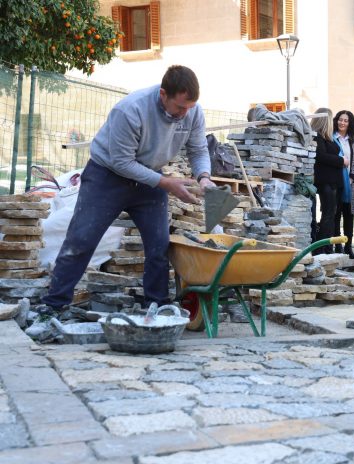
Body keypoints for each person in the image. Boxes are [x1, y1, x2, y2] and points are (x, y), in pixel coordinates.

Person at [27, 65, 215, 339]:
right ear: (163, 94)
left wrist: (205, 177)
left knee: (159, 247)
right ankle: (52, 308)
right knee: (81, 241)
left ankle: (158, 307)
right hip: (107, 176)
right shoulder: (131, 110)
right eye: (179, 108)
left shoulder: (193, 111)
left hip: (149, 177)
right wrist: (165, 183)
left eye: (188, 108)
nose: (184, 114)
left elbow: (198, 149)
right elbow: (121, 162)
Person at [312, 107, 343, 254]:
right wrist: (341, 160)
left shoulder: (325, 137)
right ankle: (319, 248)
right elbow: (321, 157)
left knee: (330, 214)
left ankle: (326, 247)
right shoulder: (317, 137)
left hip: (331, 181)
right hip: (325, 181)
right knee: (328, 215)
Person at [332, 110, 354, 259]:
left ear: (350, 123)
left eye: (346, 120)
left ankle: (348, 247)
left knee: (349, 216)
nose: (342, 123)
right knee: (335, 215)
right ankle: (337, 246)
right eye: (340, 120)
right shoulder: (331, 138)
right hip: (335, 183)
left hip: (350, 184)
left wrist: (352, 177)